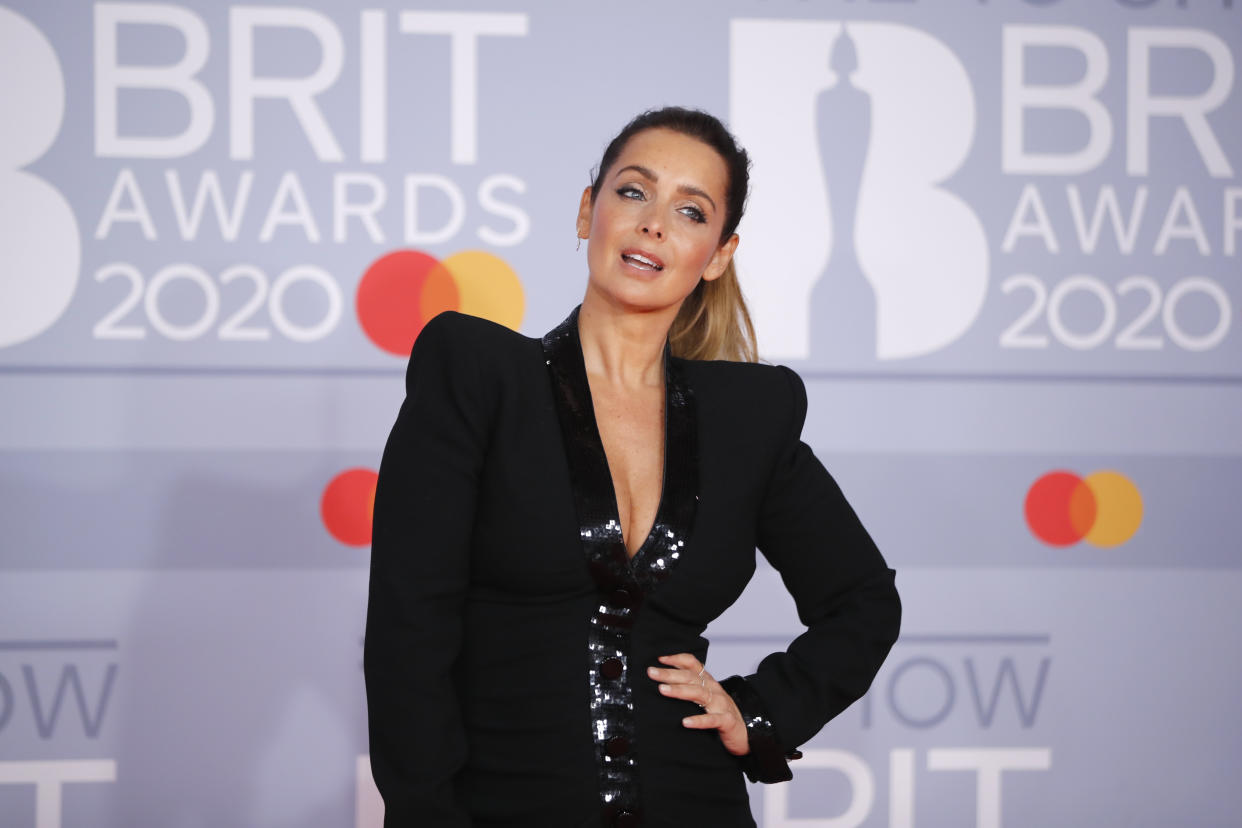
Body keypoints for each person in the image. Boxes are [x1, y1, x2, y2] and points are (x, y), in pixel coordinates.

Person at [364, 106, 901, 828]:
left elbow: (864, 600)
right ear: (588, 212)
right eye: (632, 192)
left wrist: (761, 710)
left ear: (717, 253)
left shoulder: (749, 416)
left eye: (689, 210)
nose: (653, 224)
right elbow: (408, 631)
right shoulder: (476, 373)